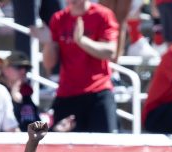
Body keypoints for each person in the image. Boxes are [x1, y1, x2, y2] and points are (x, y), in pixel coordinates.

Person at [44, 0, 119, 133]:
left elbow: (110, 51)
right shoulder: (58, 18)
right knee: (62, 148)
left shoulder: (103, 14)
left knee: (104, 146)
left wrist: (81, 41)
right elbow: (49, 64)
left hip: (98, 92)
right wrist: (48, 41)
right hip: (67, 94)